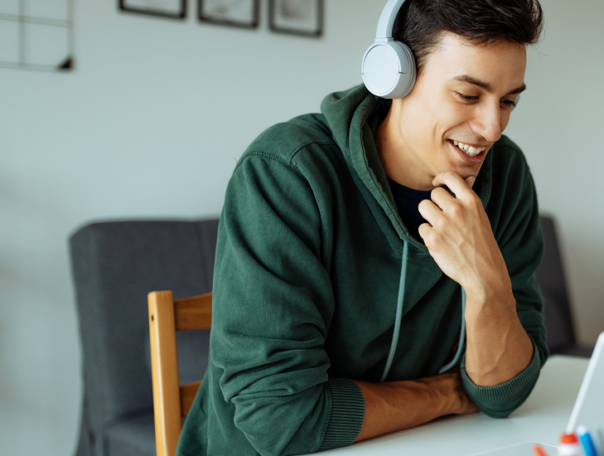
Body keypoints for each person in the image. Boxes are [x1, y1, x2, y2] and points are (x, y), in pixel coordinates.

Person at [175, 0, 548, 455]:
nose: (492, 127)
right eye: (469, 95)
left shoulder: (507, 178)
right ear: (393, 76)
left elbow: (505, 393)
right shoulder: (287, 173)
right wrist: (447, 394)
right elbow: (282, 420)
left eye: (508, 100)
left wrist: (487, 284)